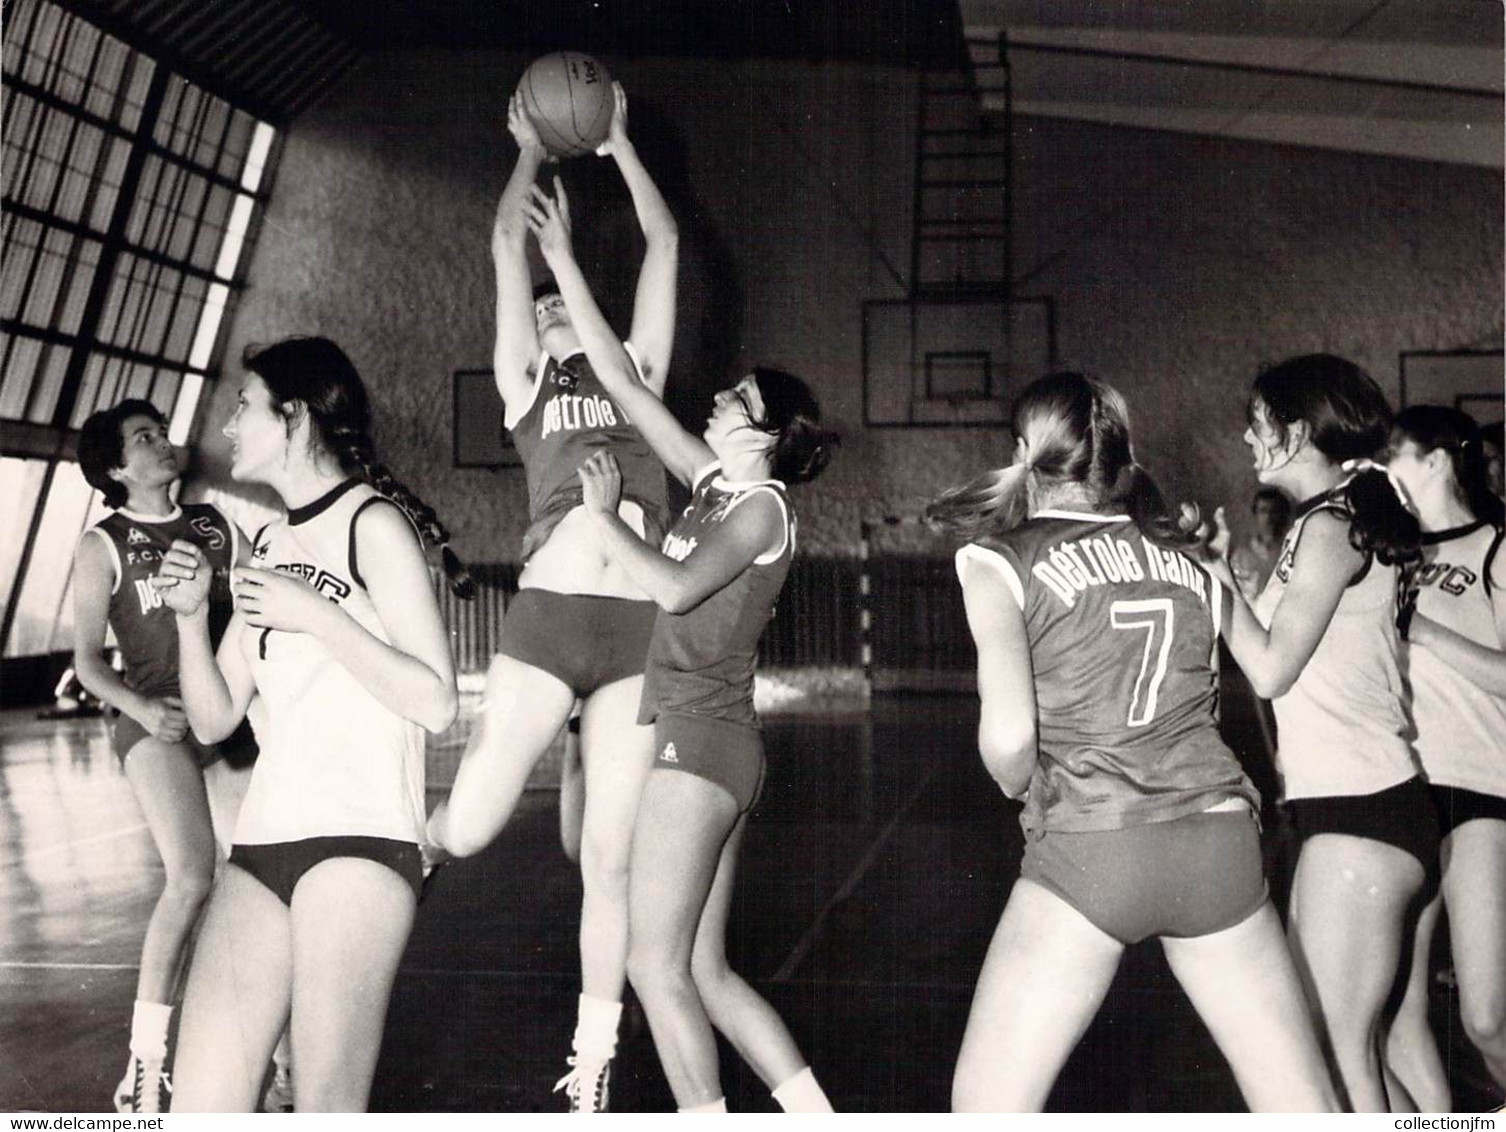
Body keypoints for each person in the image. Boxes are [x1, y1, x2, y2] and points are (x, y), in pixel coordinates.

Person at [926, 372, 1335, 1113]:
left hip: (1094, 843)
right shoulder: (1189, 553)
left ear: (1026, 452)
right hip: (1218, 844)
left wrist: (1024, 787)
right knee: (1303, 1106)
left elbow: (1011, 734)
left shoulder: (998, 558)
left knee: (985, 1109)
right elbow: (1245, 676)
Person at [524, 174, 839, 1113]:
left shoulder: (762, 508)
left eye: (735, 398)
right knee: (704, 971)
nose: (713, 400)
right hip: (709, 743)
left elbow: (671, 585)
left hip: (699, 746)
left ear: (770, 434)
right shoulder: (711, 487)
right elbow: (619, 378)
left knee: (650, 964)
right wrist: (560, 262)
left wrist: (606, 518)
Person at [422, 81, 678, 1112]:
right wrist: (527, 150)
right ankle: (379, 846)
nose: (543, 301)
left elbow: (663, 245)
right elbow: (501, 247)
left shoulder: (640, 374)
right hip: (545, 624)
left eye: (558, 295)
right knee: (474, 825)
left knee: (608, 860)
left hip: (635, 637)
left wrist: (616, 143)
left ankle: (593, 1059)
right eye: (538, 301)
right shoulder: (527, 385)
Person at [154, 337, 466, 1112]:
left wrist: (322, 618)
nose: (227, 426)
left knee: (327, 1109)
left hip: (361, 843)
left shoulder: (374, 525)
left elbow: (436, 701)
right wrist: (193, 623)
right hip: (262, 847)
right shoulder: (265, 541)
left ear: (294, 418)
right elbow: (215, 715)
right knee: (199, 1109)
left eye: (242, 406)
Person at [1204, 354, 1432, 1111]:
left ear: (1298, 432)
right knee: (1356, 1056)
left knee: (1335, 1061)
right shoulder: (1330, 519)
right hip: (1357, 810)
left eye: (1258, 424)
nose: (1245, 438)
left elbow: (1270, 671)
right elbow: (1270, 639)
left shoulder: (1331, 526)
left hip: (1361, 816)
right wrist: (1221, 570)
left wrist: (1215, 584)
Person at [73, 399, 250, 1113]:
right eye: (143, 438)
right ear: (117, 468)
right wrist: (144, 708)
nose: (162, 443)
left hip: (224, 717)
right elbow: (87, 661)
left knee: (260, 880)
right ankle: (145, 1067)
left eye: (161, 431)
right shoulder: (103, 543)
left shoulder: (215, 526)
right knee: (191, 876)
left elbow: (249, 619)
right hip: (154, 720)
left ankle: (277, 1059)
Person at [1383, 405, 1506, 1105]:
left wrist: (1423, 631)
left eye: (1395, 454)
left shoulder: (1495, 545)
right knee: (1397, 1017)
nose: (1383, 470)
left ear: (1435, 462)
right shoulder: (1392, 556)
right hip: (1402, 790)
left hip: (1481, 788)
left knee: (1485, 1015)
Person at [1229, 486, 1293, 601]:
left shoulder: (1289, 549)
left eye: (1274, 512)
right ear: (1255, 514)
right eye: (1263, 511)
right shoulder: (1241, 553)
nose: (1269, 517)